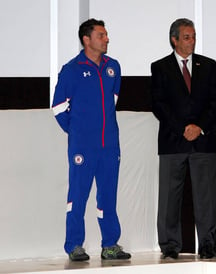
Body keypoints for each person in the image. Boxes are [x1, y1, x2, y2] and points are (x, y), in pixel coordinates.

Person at [52, 18, 131, 261]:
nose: (106, 39)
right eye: (101, 35)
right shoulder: (71, 69)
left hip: (110, 146)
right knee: (78, 194)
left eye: (106, 35)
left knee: (108, 195)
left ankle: (110, 244)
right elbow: (58, 108)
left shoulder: (113, 67)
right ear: (86, 40)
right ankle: (74, 245)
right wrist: (78, 132)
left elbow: (112, 101)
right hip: (82, 147)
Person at [151, 18, 216, 259]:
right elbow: (159, 105)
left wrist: (199, 127)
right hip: (173, 141)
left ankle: (207, 244)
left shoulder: (208, 65)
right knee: (170, 198)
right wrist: (183, 128)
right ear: (175, 39)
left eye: (193, 37)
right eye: (187, 37)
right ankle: (170, 246)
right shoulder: (160, 67)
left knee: (207, 197)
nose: (192, 41)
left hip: (203, 140)